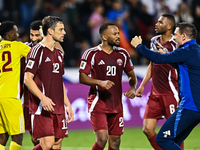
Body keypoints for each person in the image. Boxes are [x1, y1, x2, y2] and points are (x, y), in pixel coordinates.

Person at [131, 22, 200, 150]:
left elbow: (157, 59)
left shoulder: (186, 51)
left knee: (162, 139)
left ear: (184, 36)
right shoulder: (196, 50)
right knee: (175, 142)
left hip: (189, 107)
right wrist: (165, 54)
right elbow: (178, 64)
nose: (174, 37)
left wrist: (139, 46)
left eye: (176, 35)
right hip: (195, 107)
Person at [79, 22, 137, 150]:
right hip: (98, 102)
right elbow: (82, 77)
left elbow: (132, 75)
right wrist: (100, 82)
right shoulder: (91, 53)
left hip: (116, 104)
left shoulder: (123, 54)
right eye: (115, 34)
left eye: (118, 33)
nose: (118, 36)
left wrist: (133, 87)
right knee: (102, 138)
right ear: (104, 37)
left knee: (115, 142)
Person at [24, 16, 74, 150]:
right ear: (50, 31)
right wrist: (43, 98)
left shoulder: (58, 53)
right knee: (47, 145)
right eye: (61, 29)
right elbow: (27, 78)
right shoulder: (37, 51)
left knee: (57, 145)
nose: (64, 32)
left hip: (58, 107)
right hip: (42, 106)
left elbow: (59, 81)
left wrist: (67, 104)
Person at [136, 14, 183, 150]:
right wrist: (142, 85)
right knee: (147, 129)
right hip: (155, 93)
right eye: (157, 21)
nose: (156, 24)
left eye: (160, 22)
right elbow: (152, 63)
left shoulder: (176, 44)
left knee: (175, 133)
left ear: (169, 26)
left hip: (171, 92)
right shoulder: (154, 41)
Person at [0, 21, 30, 150]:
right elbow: (37, 54)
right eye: (16, 32)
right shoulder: (17, 46)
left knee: (2, 135)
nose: (18, 35)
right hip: (11, 96)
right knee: (17, 135)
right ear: (11, 35)